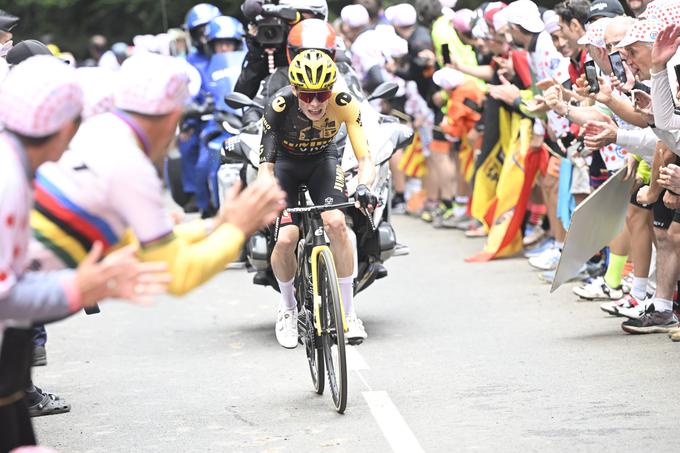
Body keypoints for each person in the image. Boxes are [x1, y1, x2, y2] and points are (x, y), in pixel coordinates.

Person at [0, 55, 170, 453]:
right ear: (66, 127)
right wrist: (78, 287)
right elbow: (6, 296)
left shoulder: (18, 166)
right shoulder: (10, 179)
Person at [258, 49, 377, 347]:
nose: (314, 103)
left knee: (337, 223)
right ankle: (288, 309)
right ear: (296, 90)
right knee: (286, 238)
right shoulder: (279, 105)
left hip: (322, 162)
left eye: (322, 95)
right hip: (284, 165)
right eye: (307, 95)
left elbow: (366, 159)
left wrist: (364, 186)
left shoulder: (344, 103)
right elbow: (266, 167)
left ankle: (349, 314)